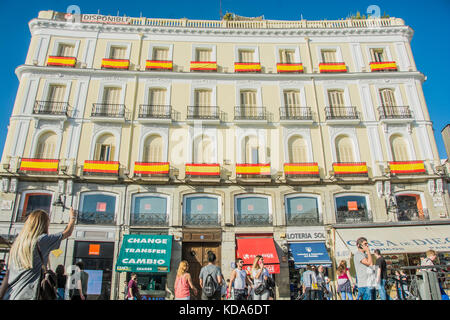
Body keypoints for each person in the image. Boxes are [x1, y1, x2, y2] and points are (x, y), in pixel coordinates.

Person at [0, 208, 77, 300]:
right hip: (29, 294)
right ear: (44, 224)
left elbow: (7, 275)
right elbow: (67, 233)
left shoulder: (17, 244)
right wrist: (72, 218)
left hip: (10, 294)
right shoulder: (41, 240)